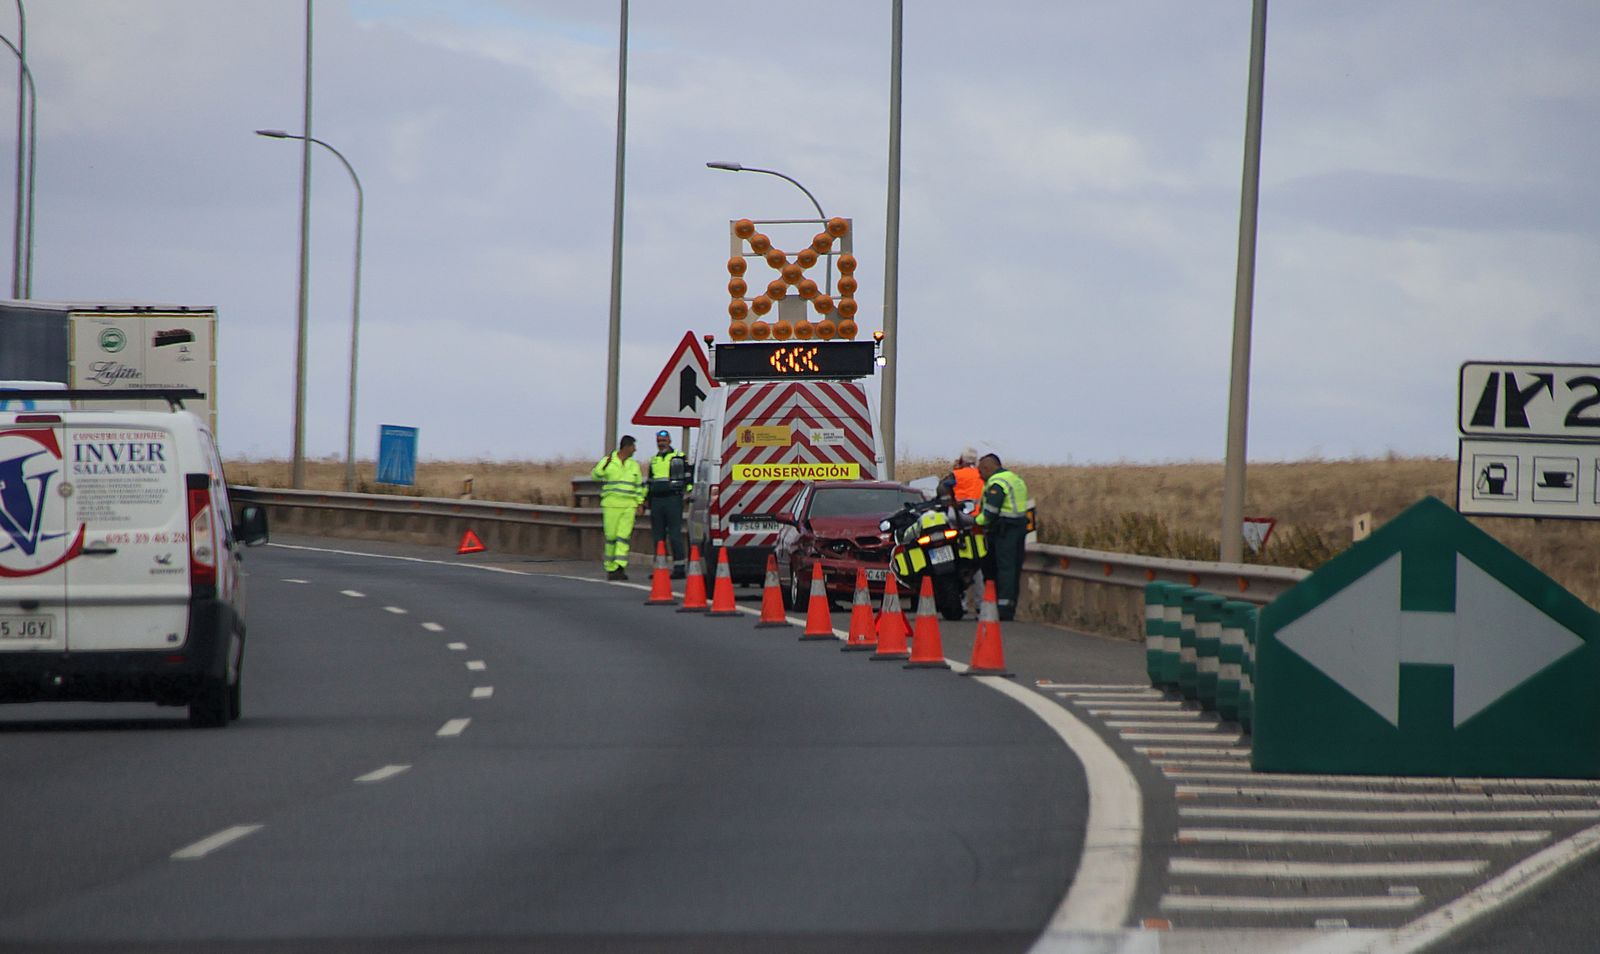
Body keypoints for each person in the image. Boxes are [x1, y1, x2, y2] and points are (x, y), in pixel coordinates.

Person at [975, 452, 1030, 621]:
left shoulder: (997, 483)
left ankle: (1002, 608)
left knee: (1001, 568)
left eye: (981, 471)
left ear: (987, 468)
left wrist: (974, 521)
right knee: (1013, 568)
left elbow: (989, 512)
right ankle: (1009, 606)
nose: (980, 476)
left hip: (1004, 530)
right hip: (1018, 527)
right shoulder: (1014, 478)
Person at [591, 435, 645, 580]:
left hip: (629, 506)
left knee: (623, 537)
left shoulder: (634, 465)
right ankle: (610, 567)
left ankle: (620, 566)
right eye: (633, 446)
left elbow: (639, 485)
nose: (635, 449)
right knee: (611, 537)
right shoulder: (609, 461)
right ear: (626, 447)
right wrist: (604, 464)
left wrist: (640, 502)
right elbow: (596, 475)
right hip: (611, 505)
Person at [646, 429, 693, 578]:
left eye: (663, 441)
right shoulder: (654, 459)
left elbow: (688, 477)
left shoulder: (678, 457)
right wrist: (646, 501)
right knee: (658, 536)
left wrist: (687, 493)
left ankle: (679, 568)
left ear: (670, 441)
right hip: (656, 501)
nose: (661, 443)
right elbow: (650, 481)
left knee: (674, 535)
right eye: (659, 441)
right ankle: (660, 568)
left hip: (673, 499)